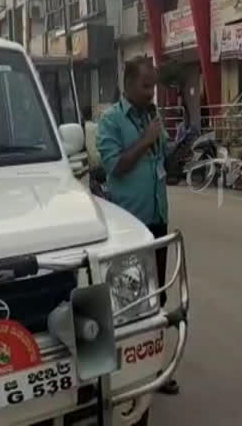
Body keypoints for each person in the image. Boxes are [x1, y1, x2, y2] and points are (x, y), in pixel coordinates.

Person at [96, 57, 179, 395]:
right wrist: (145, 140)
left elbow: (163, 158)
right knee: (128, 301)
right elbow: (114, 166)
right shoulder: (112, 121)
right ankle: (124, 371)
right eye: (146, 86)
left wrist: (174, 149)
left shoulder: (152, 116)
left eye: (154, 86)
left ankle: (156, 366)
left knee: (156, 297)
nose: (151, 93)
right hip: (129, 226)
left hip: (157, 219)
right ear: (128, 83)